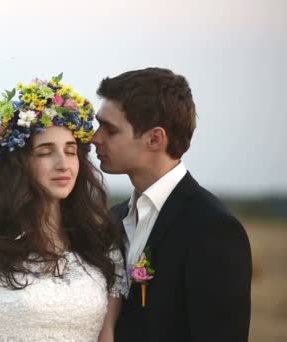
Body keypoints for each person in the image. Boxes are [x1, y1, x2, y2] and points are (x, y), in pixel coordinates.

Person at [0, 74, 128, 341]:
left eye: (71, 151)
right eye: (45, 152)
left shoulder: (103, 249)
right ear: (19, 166)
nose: (63, 164)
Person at [91, 67, 252, 342]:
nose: (95, 138)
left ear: (155, 138)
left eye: (110, 129)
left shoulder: (213, 228)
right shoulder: (115, 218)